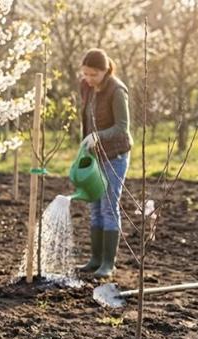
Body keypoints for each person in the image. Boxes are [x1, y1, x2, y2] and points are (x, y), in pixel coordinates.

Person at [78, 48, 133, 278]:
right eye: (86, 74)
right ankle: (95, 259)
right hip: (95, 156)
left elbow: (122, 126)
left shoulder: (117, 90)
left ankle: (109, 263)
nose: (89, 79)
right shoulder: (86, 87)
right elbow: (87, 119)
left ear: (105, 70)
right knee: (94, 208)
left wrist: (98, 136)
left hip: (115, 156)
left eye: (94, 75)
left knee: (109, 207)